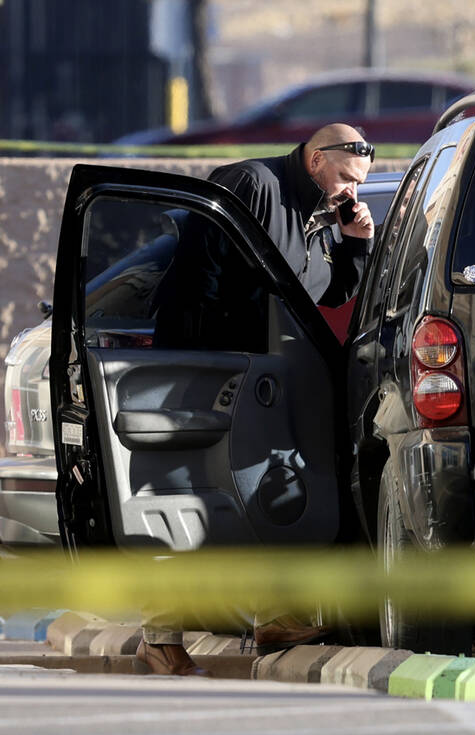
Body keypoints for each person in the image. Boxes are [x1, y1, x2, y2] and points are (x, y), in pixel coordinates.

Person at [138, 124, 376, 676]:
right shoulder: (253, 185)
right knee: (196, 500)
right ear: (316, 160)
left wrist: (357, 245)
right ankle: (159, 637)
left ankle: (269, 615)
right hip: (207, 371)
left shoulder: (321, 216)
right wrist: (212, 365)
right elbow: (204, 278)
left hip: (261, 379)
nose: (350, 192)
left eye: (358, 184)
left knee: (259, 495)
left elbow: (330, 293)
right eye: (344, 178)